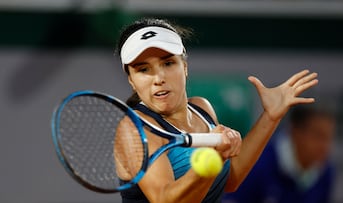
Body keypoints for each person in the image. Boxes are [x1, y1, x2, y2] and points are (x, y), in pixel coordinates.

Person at [113, 18, 318, 203]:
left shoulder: (202, 108)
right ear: (131, 80)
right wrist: (211, 160)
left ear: (184, 66)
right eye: (143, 70)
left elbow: (230, 180)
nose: (158, 79)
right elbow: (165, 200)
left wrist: (271, 116)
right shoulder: (134, 129)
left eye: (168, 63)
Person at [222, 103, 336, 203]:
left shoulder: (326, 172)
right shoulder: (257, 165)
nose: (324, 146)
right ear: (296, 132)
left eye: (328, 138)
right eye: (318, 136)